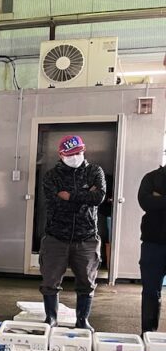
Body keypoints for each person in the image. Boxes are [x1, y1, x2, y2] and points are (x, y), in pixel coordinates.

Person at [39, 135, 106, 330]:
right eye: (71, 154)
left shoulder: (95, 171)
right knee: (50, 281)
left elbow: (98, 197)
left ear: (83, 150)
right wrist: (85, 197)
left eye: (78, 152)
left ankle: (82, 320)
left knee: (86, 281)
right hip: (55, 236)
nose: (75, 156)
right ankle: (51, 318)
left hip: (86, 237)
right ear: (61, 155)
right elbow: (55, 202)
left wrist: (71, 196)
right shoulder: (52, 176)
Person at [139, 161, 166, 333]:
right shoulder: (151, 178)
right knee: (150, 291)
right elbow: (146, 202)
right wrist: (154, 200)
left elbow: (155, 203)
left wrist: (160, 198)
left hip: (154, 242)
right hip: (153, 243)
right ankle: (148, 334)